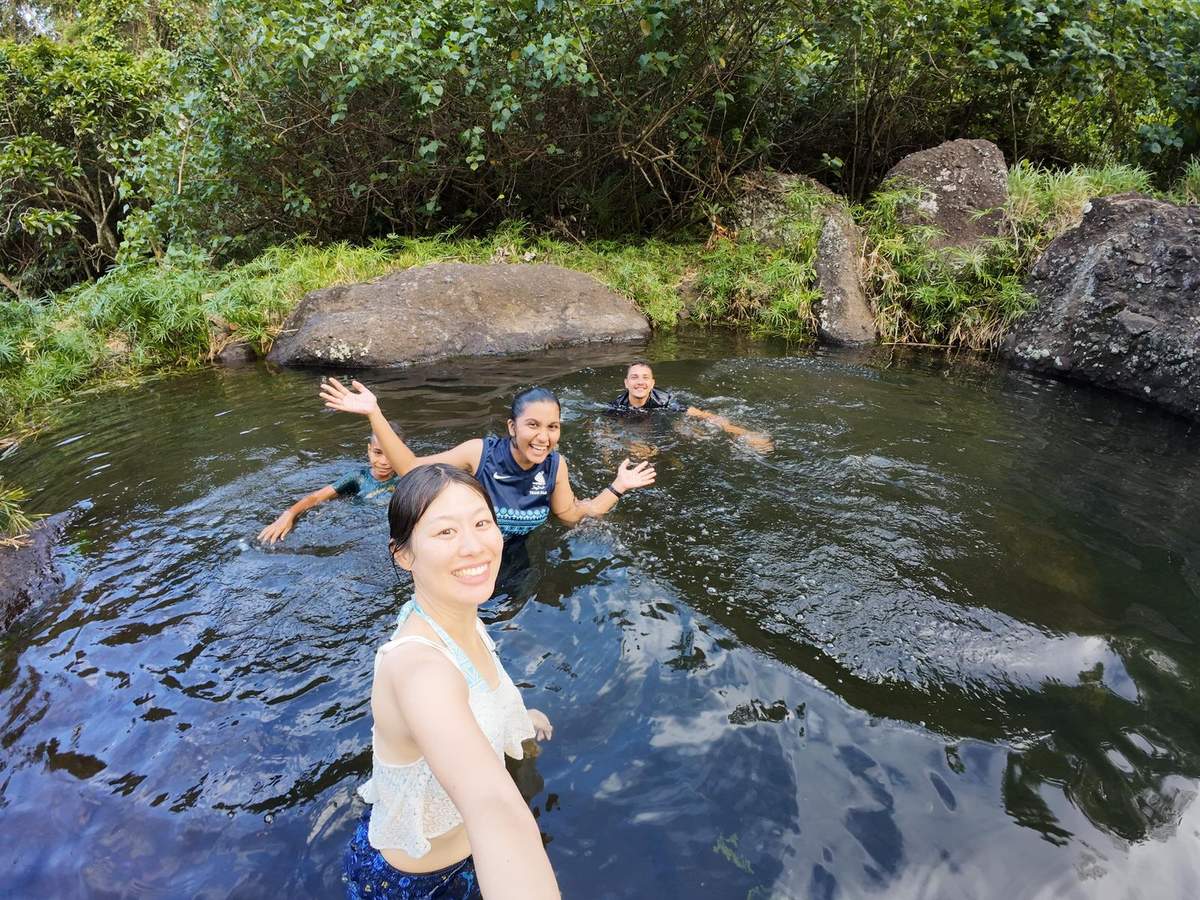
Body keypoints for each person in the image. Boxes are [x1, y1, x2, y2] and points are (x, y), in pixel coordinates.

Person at [342, 464, 560, 899]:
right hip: (418, 885)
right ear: (404, 556)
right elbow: (493, 807)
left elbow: (482, 688)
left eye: (482, 523)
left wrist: (519, 715)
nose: (474, 546)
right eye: (445, 533)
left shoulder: (459, 616)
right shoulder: (419, 670)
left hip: (464, 854)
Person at [319, 378, 656, 541]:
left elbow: (571, 515)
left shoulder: (556, 466)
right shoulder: (479, 453)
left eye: (552, 427)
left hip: (519, 552)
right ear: (512, 426)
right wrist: (374, 413)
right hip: (474, 549)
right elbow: (409, 469)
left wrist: (618, 487)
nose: (544, 437)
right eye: (533, 425)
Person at [258, 425, 402, 544]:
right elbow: (316, 498)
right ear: (369, 449)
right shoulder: (358, 477)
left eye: (390, 453)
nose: (384, 461)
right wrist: (288, 515)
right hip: (353, 526)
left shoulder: (408, 477)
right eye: (378, 453)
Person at [607, 361, 774, 454]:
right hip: (638, 423)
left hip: (665, 420)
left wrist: (743, 433)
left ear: (652, 384)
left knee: (694, 433)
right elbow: (606, 432)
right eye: (634, 377)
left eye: (645, 377)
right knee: (639, 446)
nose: (640, 382)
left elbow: (703, 415)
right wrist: (628, 445)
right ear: (626, 383)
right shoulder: (617, 406)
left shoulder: (664, 400)